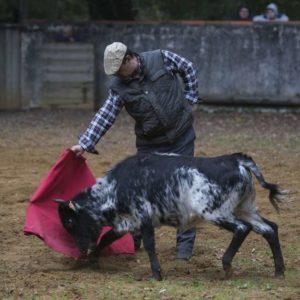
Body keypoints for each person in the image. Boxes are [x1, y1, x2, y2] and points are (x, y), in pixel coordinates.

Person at [71, 42, 201, 260]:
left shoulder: (161, 58)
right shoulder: (119, 86)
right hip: (150, 143)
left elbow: (188, 68)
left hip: (181, 137)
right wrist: (84, 143)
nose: (117, 76)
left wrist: (190, 99)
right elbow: (105, 115)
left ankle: (184, 249)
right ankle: (136, 238)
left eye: (119, 70)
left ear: (129, 59)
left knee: (183, 189)